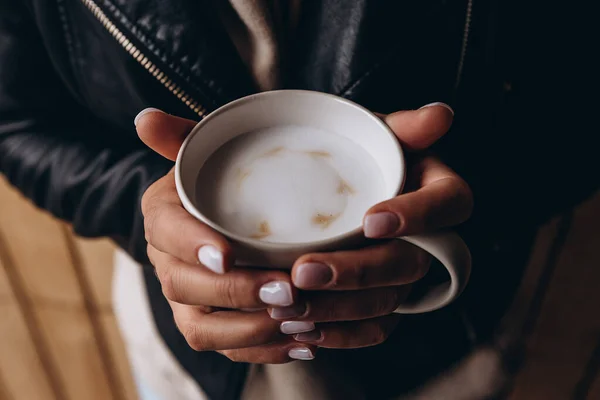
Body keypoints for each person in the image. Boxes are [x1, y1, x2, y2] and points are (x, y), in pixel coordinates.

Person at [0, 1, 596, 399]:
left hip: (446, 365)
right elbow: (15, 119)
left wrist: (466, 196)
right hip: (184, 352)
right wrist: (150, 213)